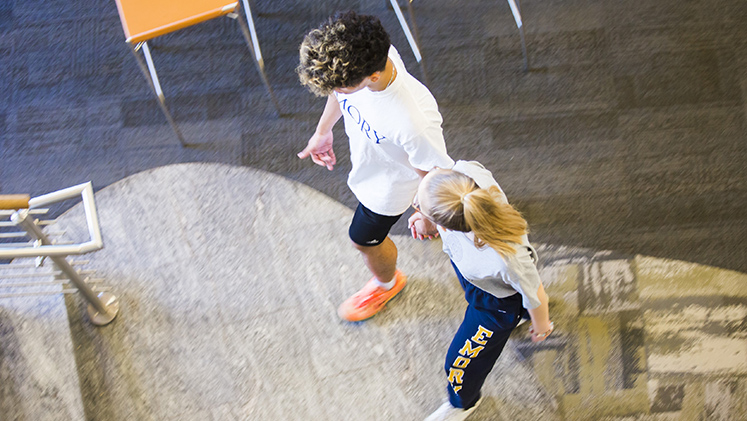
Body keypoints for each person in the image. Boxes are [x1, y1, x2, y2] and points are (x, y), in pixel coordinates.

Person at [296, 11, 454, 322]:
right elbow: (340, 96)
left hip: (390, 188)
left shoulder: (413, 121)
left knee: (362, 239)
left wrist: (425, 213)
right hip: (374, 168)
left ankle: (387, 283)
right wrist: (323, 130)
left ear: (371, 77)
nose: (338, 94)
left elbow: (435, 175)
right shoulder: (377, 57)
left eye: (342, 88)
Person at [408, 161, 554, 421]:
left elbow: (536, 293)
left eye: (419, 205)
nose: (416, 207)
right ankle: (520, 314)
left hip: (494, 305)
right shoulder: (466, 175)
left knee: (458, 364)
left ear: (447, 225)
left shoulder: (506, 258)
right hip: (479, 277)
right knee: (515, 291)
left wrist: (541, 326)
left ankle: (463, 404)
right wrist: (425, 217)